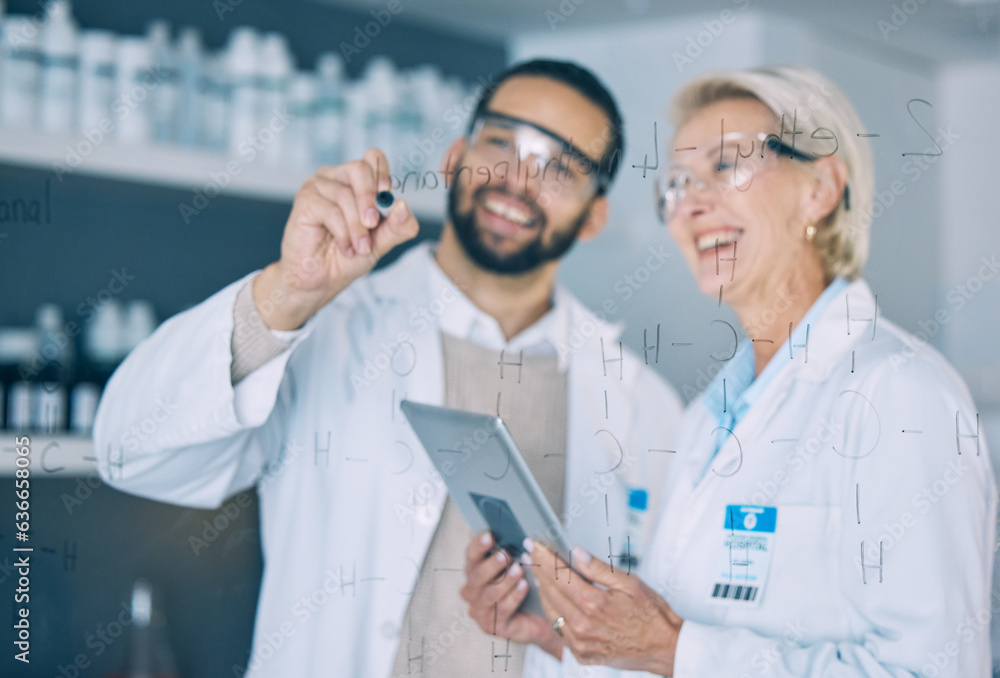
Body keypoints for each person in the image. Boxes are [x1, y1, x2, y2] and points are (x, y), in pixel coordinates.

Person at [93, 59, 683, 678]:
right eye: (501, 142)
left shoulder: (644, 406)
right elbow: (128, 452)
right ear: (455, 157)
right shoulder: (333, 330)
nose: (515, 179)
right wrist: (285, 294)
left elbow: (653, 639)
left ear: (594, 216)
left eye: (558, 167)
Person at [461, 65, 997, 677]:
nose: (690, 203)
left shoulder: (899, 394)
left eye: (726, 164)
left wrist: (674, 647)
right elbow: (675, 656)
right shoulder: (707, 418)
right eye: (677, 184)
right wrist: (566, 638)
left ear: (821, 187)